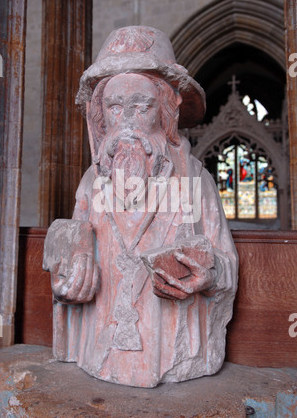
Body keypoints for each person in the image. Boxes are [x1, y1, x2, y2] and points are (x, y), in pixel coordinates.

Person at [43, 26, 238, 388]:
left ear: (164, 111)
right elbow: (68, 244)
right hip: (99, 351)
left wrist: (208, 274)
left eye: (141, 106)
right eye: (115, 107)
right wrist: (66, 265)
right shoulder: (91, 181)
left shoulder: (195, 181)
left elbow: (226, 263)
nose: (128, 121)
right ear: (100, 114)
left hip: (169, 353)